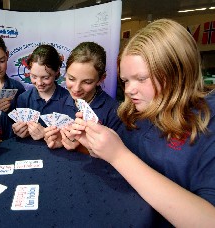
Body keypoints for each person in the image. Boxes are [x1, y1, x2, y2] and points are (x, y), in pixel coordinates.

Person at [71, 19, 215, 226]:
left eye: (141, 78)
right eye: (126, 80)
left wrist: (119, 156)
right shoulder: (134, 112)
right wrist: (88, 145)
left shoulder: (208, 125)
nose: (129, 90)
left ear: (177, 73)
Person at [44, 42, 121, 151]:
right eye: (71, 79)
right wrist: (56, 140)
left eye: (87, 82)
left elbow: (118, 156)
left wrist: (81, 147)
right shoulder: (58, 104)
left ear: (101, 79)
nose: (76, 88)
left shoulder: (114, 112)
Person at [12, 44, 69, 140]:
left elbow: (72, 139)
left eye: (46, 77)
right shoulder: (24, 99)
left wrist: (45, 135)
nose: (39, 83)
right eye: (34, 76)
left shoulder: (69, 100)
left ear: (57, 72)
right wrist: (18, 132)